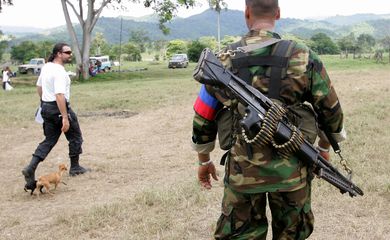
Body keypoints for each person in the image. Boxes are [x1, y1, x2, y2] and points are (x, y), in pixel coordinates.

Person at [191, 0, 346, 239]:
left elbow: (203, 117)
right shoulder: (303, 55)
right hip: (292, 169)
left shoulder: (222, 59)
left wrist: (204, 161)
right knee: (292, 234)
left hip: (243, 173)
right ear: (278, 13)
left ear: (247, 13)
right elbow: (331, 111)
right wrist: (324, 148)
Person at [22, 43, 90, 192]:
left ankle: (31, 167)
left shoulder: (46, 67)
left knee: (49, 140)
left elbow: (39, 87)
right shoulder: (59, 71)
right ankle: (75, 167)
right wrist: (65, 117)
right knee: (76, 136)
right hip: (58, 108)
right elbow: (59, 95)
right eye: (67, 52)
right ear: (59, 54)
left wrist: (43, 103)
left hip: (46, 107)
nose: (70, 54)